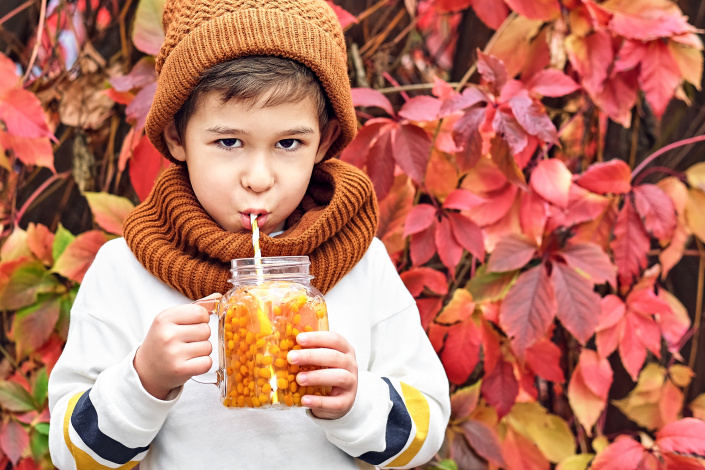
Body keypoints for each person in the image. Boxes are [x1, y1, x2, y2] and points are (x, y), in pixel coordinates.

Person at [48, 0, 450, 468]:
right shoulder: (126, 269)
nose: (259, 177)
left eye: (288, 143)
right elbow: (69, 456)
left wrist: (358, 400)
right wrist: (144, 380)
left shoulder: (362, 262)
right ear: (177, 136)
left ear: (324, 138)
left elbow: (428, 431)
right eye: (228, 142)